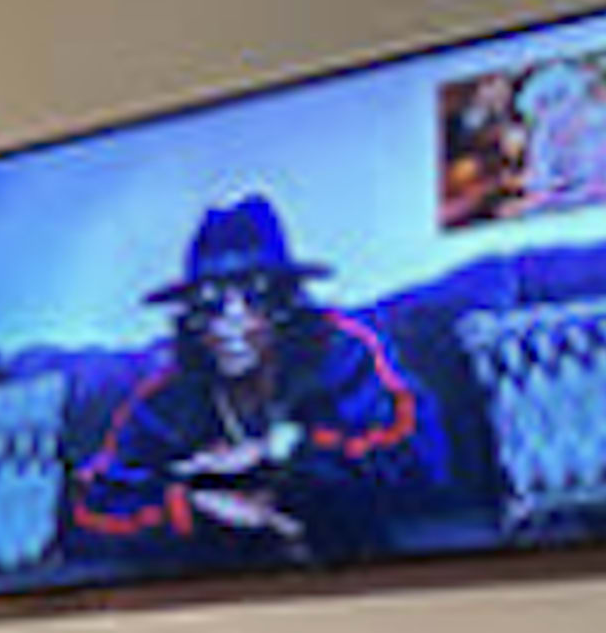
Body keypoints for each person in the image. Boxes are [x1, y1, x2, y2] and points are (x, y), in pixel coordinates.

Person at [70, 194, 428, 568]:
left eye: (254, 295)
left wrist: (284, 449)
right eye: (210, 302)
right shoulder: (165, 399)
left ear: (285, 302)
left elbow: (419, 455)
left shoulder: (342, 352)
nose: (231, 322)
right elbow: (90, 509)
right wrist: (192, 505)